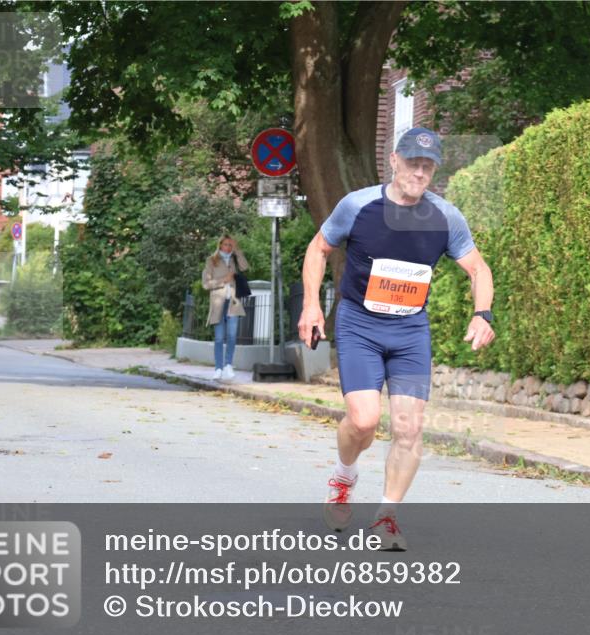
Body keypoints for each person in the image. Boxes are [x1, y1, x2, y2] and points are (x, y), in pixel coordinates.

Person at [298, 127, 495, 551]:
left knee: (408, 428)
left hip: (409, 332)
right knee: (365, 420)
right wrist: (311, 306)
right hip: (359, 326)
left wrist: (482, 314)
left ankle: (386, 516)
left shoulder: (446, 216)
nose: (419, 173)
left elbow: (478, 269)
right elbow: (318, 249)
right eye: (412, 163)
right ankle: (344, 475)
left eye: (428, 166)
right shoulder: (358, 204)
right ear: (394, 160)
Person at [202, 235, 249, 381]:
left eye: (231, 245)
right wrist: (224, 280)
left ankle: (228, 365)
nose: (229, 247)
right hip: (218, 303)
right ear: (220, 245)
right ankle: (218, 368)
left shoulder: (234, 258)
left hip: (233, 303)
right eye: (226, 244)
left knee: (232, 336)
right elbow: (206, 284)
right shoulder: (212, 261)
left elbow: (245, 267)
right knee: (219, 338)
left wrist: (238, 251)